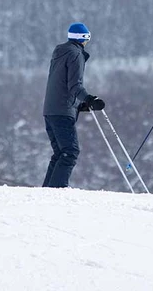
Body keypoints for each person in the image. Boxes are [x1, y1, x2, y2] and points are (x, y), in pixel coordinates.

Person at [41, 22, 105, 188]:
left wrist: (78, 105)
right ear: (84, 39)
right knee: (70, 152)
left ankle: (48, 190)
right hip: (62, 111)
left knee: (60, 153)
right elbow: (74, 85)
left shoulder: (60, 53)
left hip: (50, 110)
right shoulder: (76, 54)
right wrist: (89, 99)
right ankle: (58, 189)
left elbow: (61, 85)